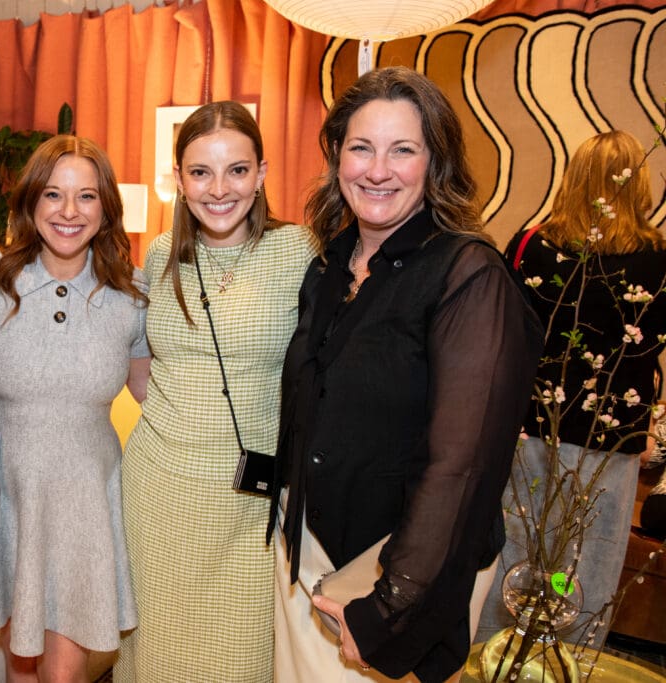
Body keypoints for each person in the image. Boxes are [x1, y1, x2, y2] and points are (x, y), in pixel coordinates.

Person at [270, 66, 543, 682]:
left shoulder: (469, 276)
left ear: (435, 162)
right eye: (361, 148)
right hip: (309, 555)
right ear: (336, 157)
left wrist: (391, 608)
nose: (377, 170)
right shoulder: (330, 264)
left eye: (402, 150)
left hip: (397, 575)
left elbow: (462, 467)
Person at [116, 101, 316, 682]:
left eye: (237, 170)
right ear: (179, 180)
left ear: (262, 173)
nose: (219, 189)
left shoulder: (299, 251)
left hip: (248, 501)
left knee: (238, 658)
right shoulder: (162, 253)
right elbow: (143, 363)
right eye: (201, 172)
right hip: (157, 489)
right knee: (155, 653)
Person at [0, 134, 149, 682]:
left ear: (106, 208)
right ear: (30, 201)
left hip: (87, 502)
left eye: (86, 196)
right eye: (53, 194)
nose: (69, 211)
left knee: (62, 674)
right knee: (20, 667)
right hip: (10, 498)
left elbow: (151, 393)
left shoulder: (132, 293)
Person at [475, 130, 666, 650]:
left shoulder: (531, 247)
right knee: (584, 565)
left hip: (528, 428)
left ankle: (492, 659)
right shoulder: (657, 259)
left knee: (513, 554)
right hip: (609, 440)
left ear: (574, 178)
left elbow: (501, 335)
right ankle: (565, 662)